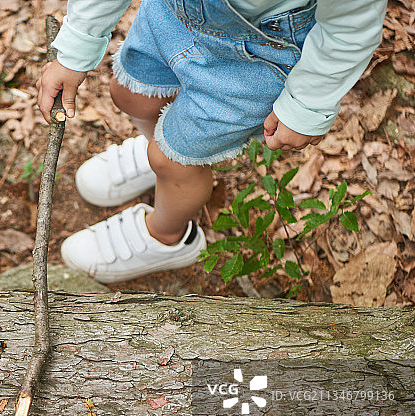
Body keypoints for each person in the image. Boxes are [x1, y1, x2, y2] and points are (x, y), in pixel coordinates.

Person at [37, 0, 386, 283]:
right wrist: (78, 44)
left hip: (261, 53)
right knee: (130, 95)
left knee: (173, 160)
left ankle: (167, 236)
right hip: (173, 15)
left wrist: (308, 103)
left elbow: (350, 24)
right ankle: (159, 151)